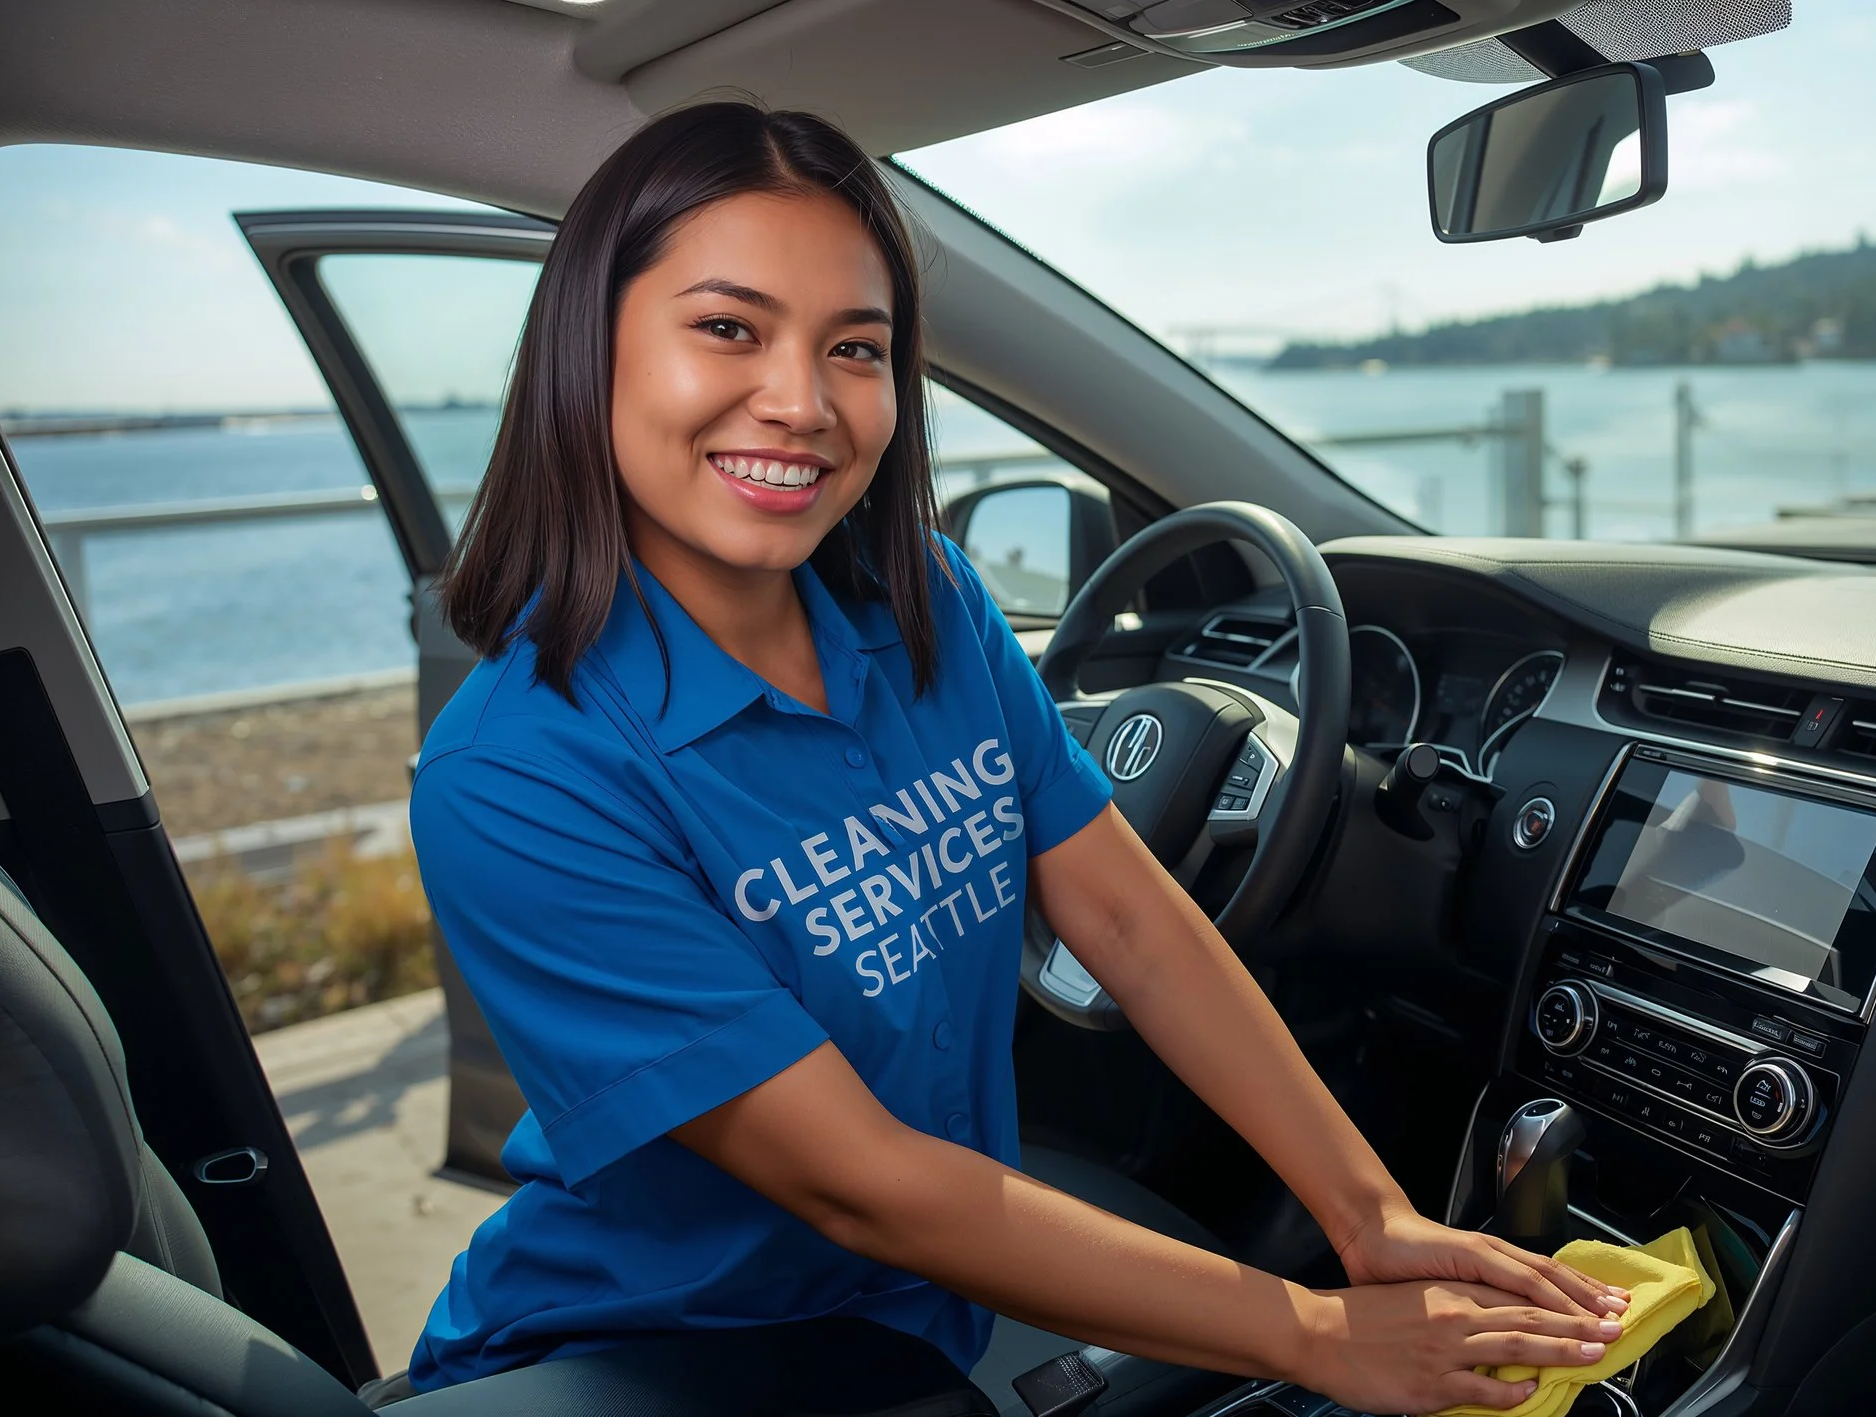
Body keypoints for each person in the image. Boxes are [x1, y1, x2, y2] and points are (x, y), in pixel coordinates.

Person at [397, 102, 1626, 1414]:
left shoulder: (919, 595)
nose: (803, 402)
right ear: (592, 351)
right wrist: (1316, 1335)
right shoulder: (520, 772)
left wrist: (1372, 1216)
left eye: (855, 349)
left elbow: (1128, 916)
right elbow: (857, 1180)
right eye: (727, 329)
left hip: (912, 1310)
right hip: (655, 1347)